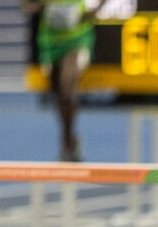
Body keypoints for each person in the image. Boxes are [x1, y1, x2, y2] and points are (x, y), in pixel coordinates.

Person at [21, 0, 100, 162]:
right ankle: (70, 139)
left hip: (77, 41)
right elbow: (26, 5)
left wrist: (92, 12)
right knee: (59, 97)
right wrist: (44, 9)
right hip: (50, 44)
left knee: (67, 90)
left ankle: (66, 143)